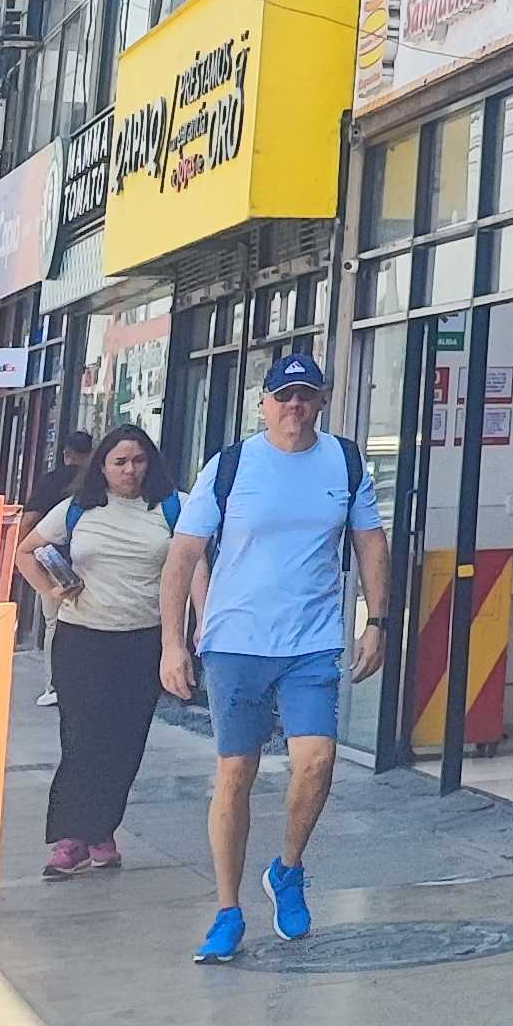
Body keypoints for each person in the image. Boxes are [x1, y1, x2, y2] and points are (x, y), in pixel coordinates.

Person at [159, 349, 388, 964]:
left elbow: (370, 541)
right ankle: (227, 909)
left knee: (317, 762)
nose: (295, 406)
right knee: (236, 772)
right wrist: (173, 643)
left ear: (322, 400)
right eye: (284, 395)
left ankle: (287, 868)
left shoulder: (344, 461)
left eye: (306, 394)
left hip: (312, 642)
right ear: (263, 403)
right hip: (236, 644)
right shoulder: (231, 466)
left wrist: (377, 621)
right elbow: (182, 557)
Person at [23, 425, 170, 876]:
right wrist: (51, 590)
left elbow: (192, 564)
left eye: (138, 460)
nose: (129, 470)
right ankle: (71, 838)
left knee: (125, 742)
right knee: (81, 739)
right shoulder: (77, 508)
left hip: (143, 640)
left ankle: (102, 830)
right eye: (119, 461)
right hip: (83, 639)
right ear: (101, 467)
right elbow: (25, 550)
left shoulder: (172, 507)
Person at [17, 426, 95, 708]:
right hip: (89, 562)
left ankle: (54, 686)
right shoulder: (96, 483)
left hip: (51, 561)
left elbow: (29, 519)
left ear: (66, 454)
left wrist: (19, 552)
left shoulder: (51, 481)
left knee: (54, 622)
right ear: (92, 454)